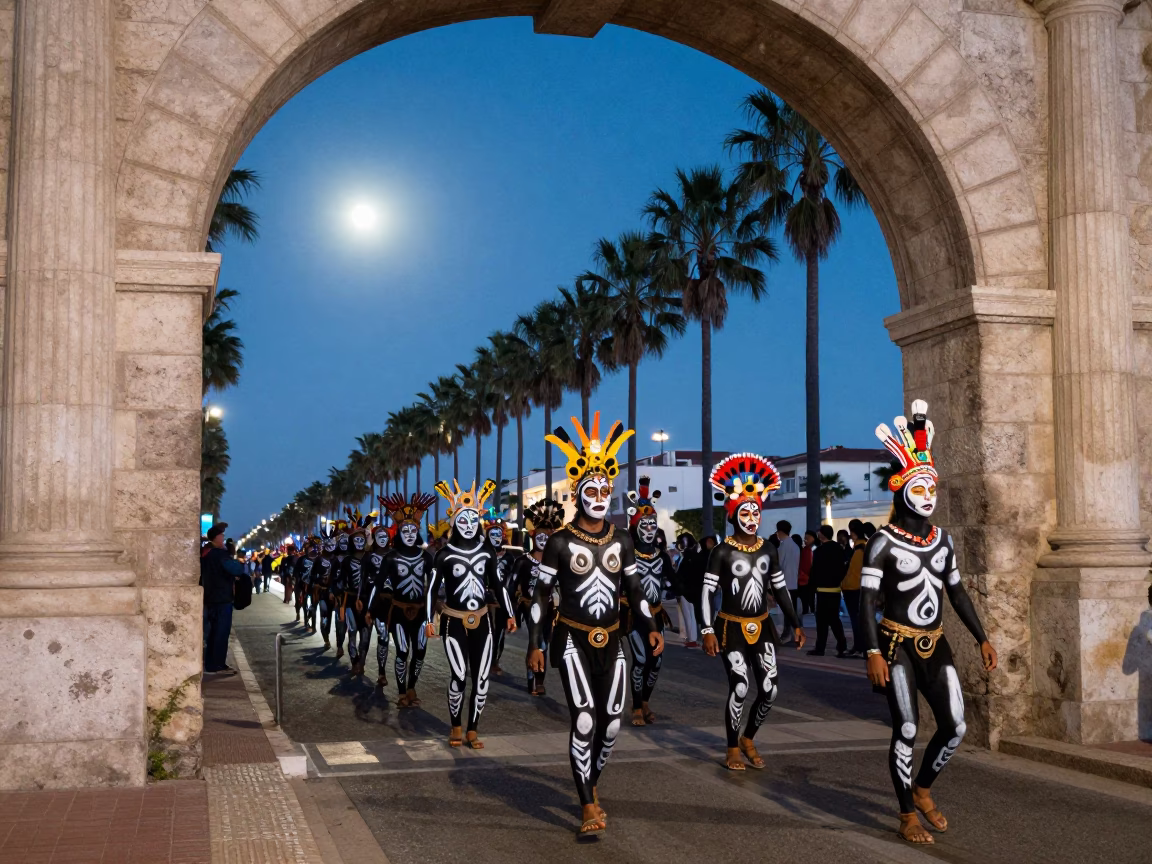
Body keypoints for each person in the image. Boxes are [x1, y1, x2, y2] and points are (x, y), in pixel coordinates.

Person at [864, 399, 997, 845]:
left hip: (935, 643)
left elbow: (956, 592)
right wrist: (872, 652)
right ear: (901, 489)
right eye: (919, 488)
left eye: (932, 488)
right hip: (895, 645)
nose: (927, 496)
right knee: (906, 727)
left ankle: (922, 789)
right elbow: (866, 603)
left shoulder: (943, 541)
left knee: (956, 727)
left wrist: (981, 638)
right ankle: (907, 814)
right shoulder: (882, 542)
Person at [529, 413, 660, 838]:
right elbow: (541, 595)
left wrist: (651, 625)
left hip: (613, 638)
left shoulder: (622, 540)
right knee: (584, 720)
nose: (600, 497)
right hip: (571, 638)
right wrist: (536, 644)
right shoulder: (559, 542)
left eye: (605, 490)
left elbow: (635, 588)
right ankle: (587, 802)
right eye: (591, 490)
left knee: (612, 724)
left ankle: (591, 782)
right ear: (577, 494)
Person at [699, 453, 805, 772]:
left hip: (762, 626)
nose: (751, 517)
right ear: (733, 515)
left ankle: (748, 738)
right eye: (745, 512)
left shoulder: (769, 549)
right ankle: (732, 747)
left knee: (770, 690)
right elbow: (707, 592)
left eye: (755, 511)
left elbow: (781, 590)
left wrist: (796, 623)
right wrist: (707, 630)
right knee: (741, 687)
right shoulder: (722, 551)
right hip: (730, 627)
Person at [427, 479, 515, 749]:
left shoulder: (487, 552)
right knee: (458, 676)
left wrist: (510, 614)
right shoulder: (443, 555)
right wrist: (428, 620)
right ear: (454, 523)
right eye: (463, 520)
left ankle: (473, 729)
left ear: (479, 523)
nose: (468, 525)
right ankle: (456, 726)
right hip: (453, 621)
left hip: (483, 620)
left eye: (473, 520)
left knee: (482, 678)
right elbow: (432, 590)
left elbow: (498, 585)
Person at [376, 492, 436, 704]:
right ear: (399, 533)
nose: (409, 534)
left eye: (413, 530)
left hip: (420, 612)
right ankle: (401, 692)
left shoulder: (426, 557)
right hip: (399, 611)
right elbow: (378, 584)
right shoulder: (390, 557)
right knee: (402, 651)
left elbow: (433, 585)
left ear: (418, 531)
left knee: (420, 652)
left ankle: (412, 688)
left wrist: (432, 613)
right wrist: (371, 609)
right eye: (405, 530)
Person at [623, 476, 673, 727]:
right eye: (645, 524)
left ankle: (645, 702)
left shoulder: (662, 556)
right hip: (635, 617)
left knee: (656, 663)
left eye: (653, 523)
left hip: (657, 613)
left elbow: (676, 582)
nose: (650, 528)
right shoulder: (628, 556)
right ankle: (635, 706)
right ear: (636, 526)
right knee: (641, 660)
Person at [515, 498, 564, 695]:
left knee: (545, 642)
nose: (543, 540)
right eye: (540, 536)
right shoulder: (523, 561)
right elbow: (510, 587)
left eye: (547, 537)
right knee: (537, 641)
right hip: (528, 606)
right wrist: (510, 612)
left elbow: (565, 586)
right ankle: (533, 681)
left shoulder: (556, 563)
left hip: (550, 607)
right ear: (533, 536)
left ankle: (539, 679)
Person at [336, 510, 376, 676]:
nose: (359, 542)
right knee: (352, 631)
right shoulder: (347, 560)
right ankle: (354, 661)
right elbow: (340, 581)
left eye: (362, 539)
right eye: (356, 540)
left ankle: (362, 662)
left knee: (365, 635)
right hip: (351, 600)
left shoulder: (371, 558)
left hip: (368, 602)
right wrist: (339, 600)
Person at [201, 522, 244, 675]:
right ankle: (217, 665)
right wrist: (233, 556)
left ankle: (211, 663)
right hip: (222, 598)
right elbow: (236, 569)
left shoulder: (205, 553)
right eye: (222, 535)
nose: (223, 538)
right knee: (221, 632)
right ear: (216, 537)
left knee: (212, 633)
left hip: (210, 597)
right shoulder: (220, 555)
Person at [363, 518, 395, 689]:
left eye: (385, 536)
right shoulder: (369, 558)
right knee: (383, 636)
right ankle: (381, 672)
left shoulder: (396, 555)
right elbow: (364, 581)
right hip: (377, 601)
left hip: (396, 602)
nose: (382, 539)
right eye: (379, 536)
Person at [808, 525, 848, 657]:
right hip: (835, 590)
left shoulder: (819, 551)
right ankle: (842, 645)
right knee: (835, 619)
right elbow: (843, 568)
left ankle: (820, 648)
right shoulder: (839, 548)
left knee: (822, 621)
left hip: (822, 590)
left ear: (821, 535)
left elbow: (814, 571)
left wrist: (812, 587)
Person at [842, 519, 867, 656]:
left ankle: (860, 647)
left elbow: (853, 572)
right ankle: (860, 646)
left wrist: (844, 584)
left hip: (853, 589)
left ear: (854, 532)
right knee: (858, 620)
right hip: (857, 588)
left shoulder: (859, 549)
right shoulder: (862, 547)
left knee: (856, 620)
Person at [775, 520, 801, 644]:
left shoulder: (782, 546)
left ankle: (787, 636)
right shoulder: (795, 546)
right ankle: (794, 636)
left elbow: (778, 566)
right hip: (793, 583)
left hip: (784, 584)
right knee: (792, 612)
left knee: (786, 612)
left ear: (780, 531)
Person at [673, 533, 700, 649]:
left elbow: (682, 574)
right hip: (690, 590)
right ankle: (691, 638)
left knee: (689, 615)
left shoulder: (688, 557)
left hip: (687, 590)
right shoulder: (690, 556)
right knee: (690, 615)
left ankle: (692, 639)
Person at [796, 531, 815, 619]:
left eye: (807, 538)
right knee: (805, 602)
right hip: (804, 579)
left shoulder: (812, 550)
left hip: (807, 579)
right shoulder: (805, 550)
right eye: (805, 538)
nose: (805, 540)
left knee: (808, 601)